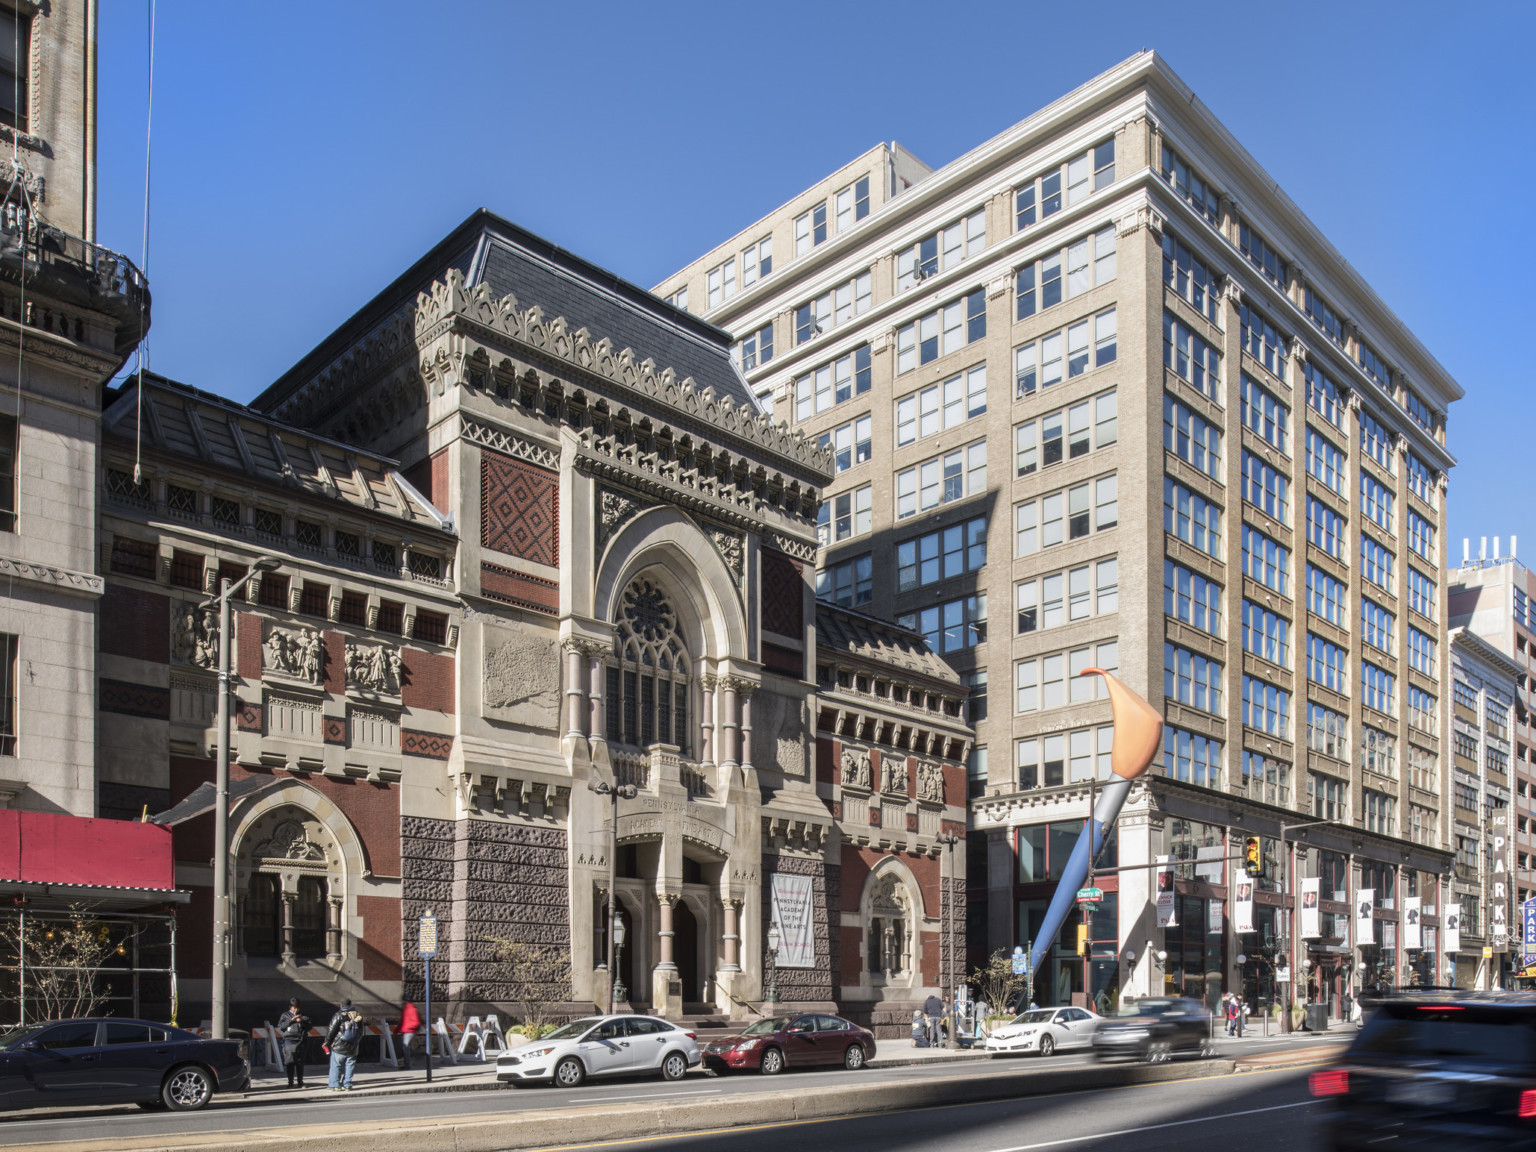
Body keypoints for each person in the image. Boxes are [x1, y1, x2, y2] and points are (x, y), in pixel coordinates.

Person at [324, 998, 365, 1091]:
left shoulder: (338, 1015)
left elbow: (332, 1030)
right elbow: (361, 1032)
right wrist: (356, 1041)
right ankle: (347, 1084)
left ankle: (334, 1085)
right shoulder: (357, 1015)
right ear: (350, 1005)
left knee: (336, 1065)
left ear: (341, 1005)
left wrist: (327, 1042)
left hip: (339, 1045)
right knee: (350, 1065)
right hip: (353, 1046)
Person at [276, 998, 310, 1088]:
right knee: (289, 1063)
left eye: (297, 1007)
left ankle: (300, 1082)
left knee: (300, 1063)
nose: (296, 1009)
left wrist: (302, 1021)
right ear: (290, 1007)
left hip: (301, 1040)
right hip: (289, 1041)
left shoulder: (303, 1016)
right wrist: (291, 1020)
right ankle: (290, 1082)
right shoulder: (285, 1015)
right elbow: (281, 1027)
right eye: (294, 1007)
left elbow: (309, 1026)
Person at [397, 1000, 422, 1070]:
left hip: (409, 1031)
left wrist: (409, 1027)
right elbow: (401, 1022)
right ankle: (411, 1060)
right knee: (405, 1047)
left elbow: (416, 1022)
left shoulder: (410, 1010)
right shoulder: (406, 1010)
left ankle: (408, 1064)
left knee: (406, 1047)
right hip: (407, 1031)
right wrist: (396, 1031)